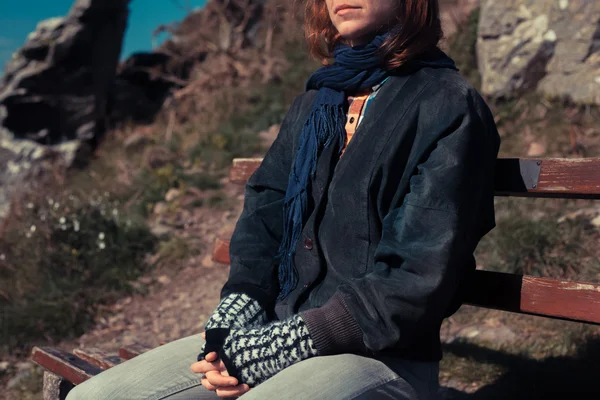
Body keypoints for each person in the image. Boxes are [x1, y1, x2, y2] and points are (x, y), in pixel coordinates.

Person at [66, 0, 500, 399]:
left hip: (381, 357)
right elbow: (265, 211)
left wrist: (284, 347)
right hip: (273, 332)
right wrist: (237, 314)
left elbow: (416, 277)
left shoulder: (447, 105)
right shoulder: (316, 103)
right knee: (93, 397)